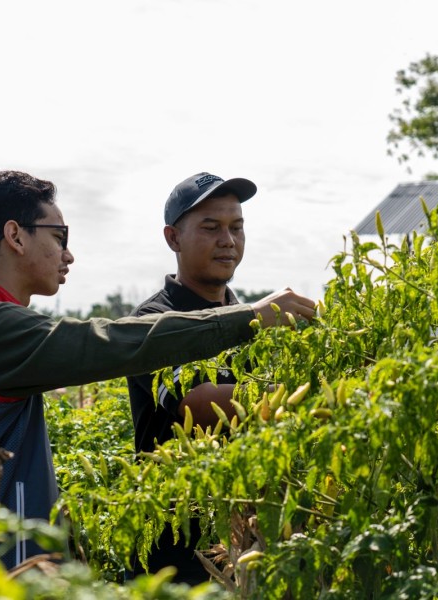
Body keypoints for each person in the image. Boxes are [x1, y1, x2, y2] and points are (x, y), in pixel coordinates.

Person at [0, 170, 314, 570]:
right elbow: (105, 342)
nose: (68, 255)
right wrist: (248, 318)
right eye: (60, 237)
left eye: (236, 227)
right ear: (16, 236)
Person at [125, 171, 317, 583]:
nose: (228, 241)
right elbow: (201, 404)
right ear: (173, 238)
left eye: (237, 227)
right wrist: (315, 394)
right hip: (178, 558)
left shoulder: (256, 320)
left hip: (250, 547)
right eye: (211, 228)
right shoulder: (152, 322)